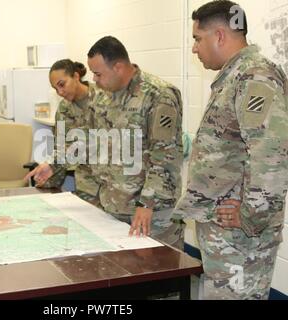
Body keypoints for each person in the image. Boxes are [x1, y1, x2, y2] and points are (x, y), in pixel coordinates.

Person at [173, 0, 288, 299]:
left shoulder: (254, 77)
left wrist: (251, 215)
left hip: (240, 239)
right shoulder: (236, 76)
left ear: (220, 36)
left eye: (198, 39)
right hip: (227, 236)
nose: (195, 48)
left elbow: (272, 155)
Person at [87, 36, 185, 250]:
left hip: (151, 214)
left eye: (98, 73)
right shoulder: (102, 97)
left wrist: (147, 203)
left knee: (160, 275)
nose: (94, 80)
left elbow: (165, 157)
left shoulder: (159, 95)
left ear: (119, 67)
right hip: (112, 206)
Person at [24, 59, 108, 206]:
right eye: (55, 89)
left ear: (76, 76)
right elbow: (62, 147)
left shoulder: (106, 97)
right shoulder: (64, 108)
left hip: (112, 187)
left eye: (62, 85)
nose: (60, 92)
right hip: (86, 187)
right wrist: (50, 169)